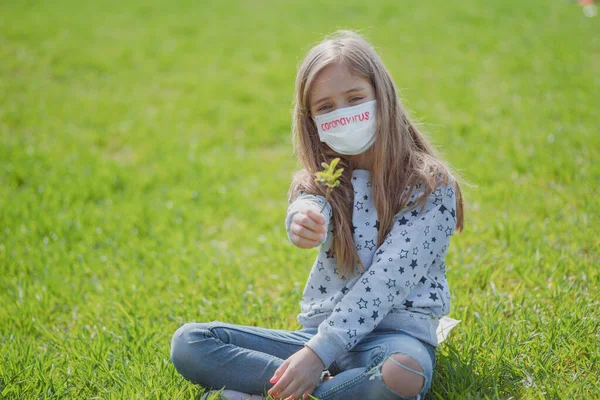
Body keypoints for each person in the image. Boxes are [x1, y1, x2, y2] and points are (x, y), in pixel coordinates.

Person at [170, 30, 464, 400]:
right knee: (190, 342)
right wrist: (301, 216)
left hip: (392, 339)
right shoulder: (321, 180)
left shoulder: (430, 185)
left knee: (403, 373)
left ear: (382, 97)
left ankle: (272, 390)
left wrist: (313, 356)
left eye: (355, 98)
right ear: (310, 119)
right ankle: (323, 389)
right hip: (317, 335)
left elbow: (386, 282)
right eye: (326, 107)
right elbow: (311, 203)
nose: (342, 114)